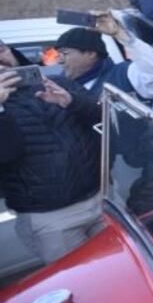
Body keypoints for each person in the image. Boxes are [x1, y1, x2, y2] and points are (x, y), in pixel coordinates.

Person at [0, 69, 103, 263]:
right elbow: (7, 154)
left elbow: (104, 116)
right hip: (52, 217)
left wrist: (71, 101)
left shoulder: (56, 82)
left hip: (101, 198)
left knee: (126, 269)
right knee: (80, 281)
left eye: (2, 50)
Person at [54, 13, 153, 100]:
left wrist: (121, 35)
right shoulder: (59, 88)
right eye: (58, 54)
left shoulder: (124, 74)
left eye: (65, 53)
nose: (59, 61)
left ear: (91, 54)